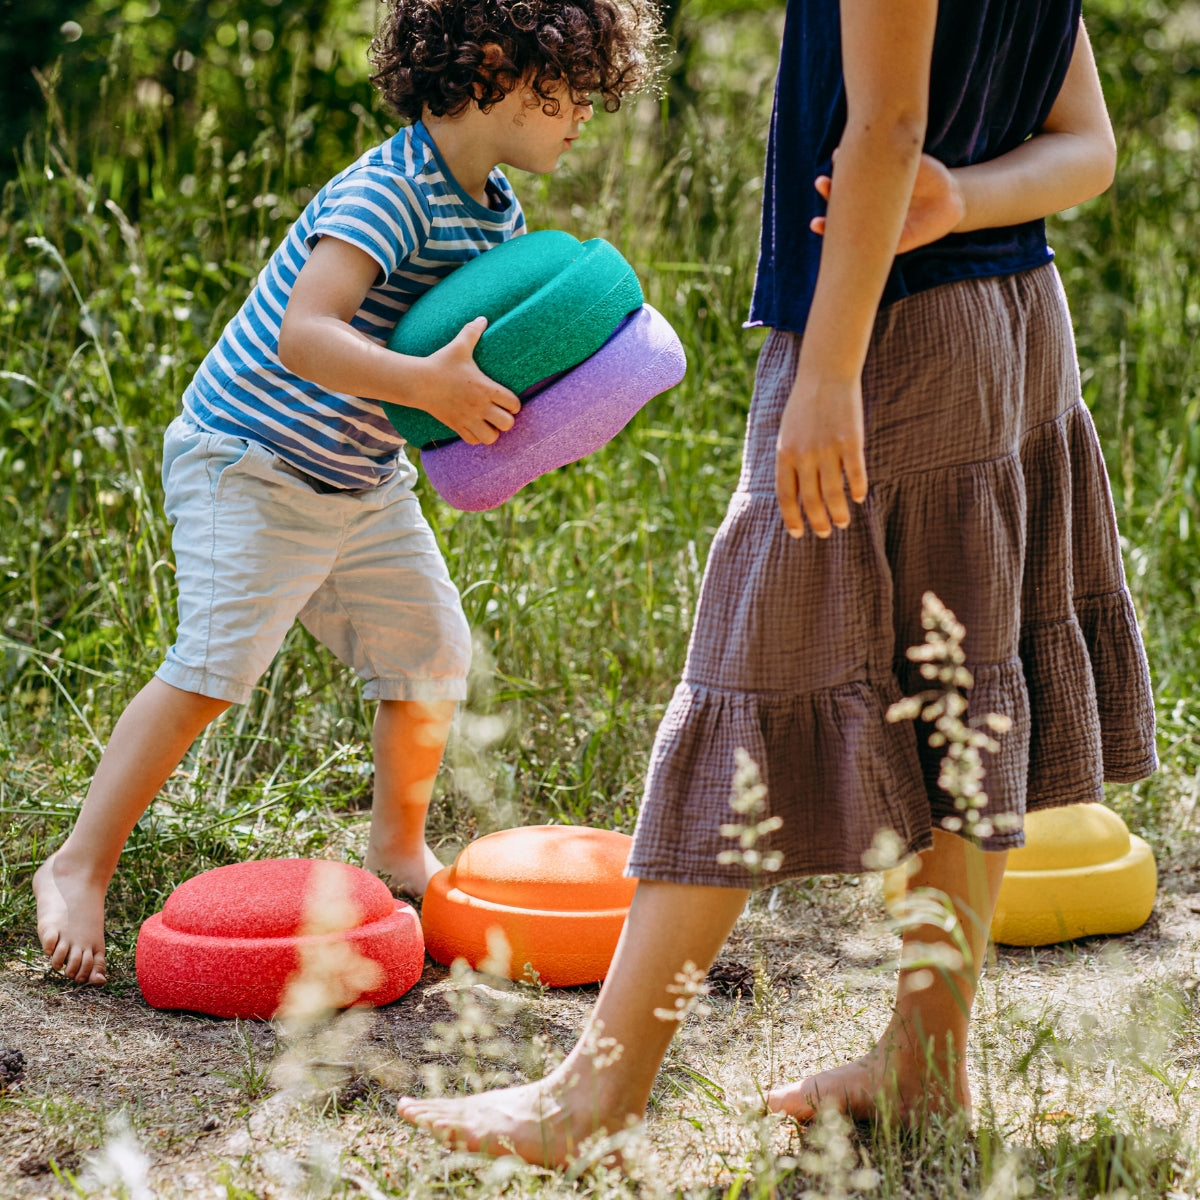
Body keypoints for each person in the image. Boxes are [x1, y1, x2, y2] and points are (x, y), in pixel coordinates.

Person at [397, 0, 1157, 1162]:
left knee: (754, 671)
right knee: (955, 684)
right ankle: (925, 1063)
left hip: (888, 335)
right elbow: (1088, 146)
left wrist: (830, 370)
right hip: (1010, 323)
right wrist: (969, 200)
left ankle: (592, 1098)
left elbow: (889, 126)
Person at [33, 0, 658, 988]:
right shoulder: (390, 189)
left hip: (360, 476)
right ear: (495, 66)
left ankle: (398, 853)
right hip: (250, 456)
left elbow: (471, 365)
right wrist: (429, 390)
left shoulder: (495, 211)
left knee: (431, 648)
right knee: (213, 667)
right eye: (569, 88)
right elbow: (306, 335)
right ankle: (78, 863)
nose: (587, 111)